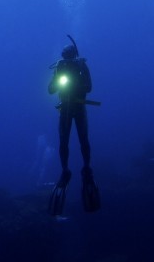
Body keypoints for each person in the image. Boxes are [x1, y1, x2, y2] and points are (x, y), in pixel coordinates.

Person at [47, 35, 100, 215]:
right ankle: (66, 169)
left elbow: (89, 87)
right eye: (65, 56)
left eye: (69, 55)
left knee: (82, 140)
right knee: (65, 141)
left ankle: (85, 167)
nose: (67, 59)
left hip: (78, 107)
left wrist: (76, 79)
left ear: (74, 55)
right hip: (66, 108)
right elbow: (51, 89)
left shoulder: (81, 65)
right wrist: (58, 79)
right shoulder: (60, 67)